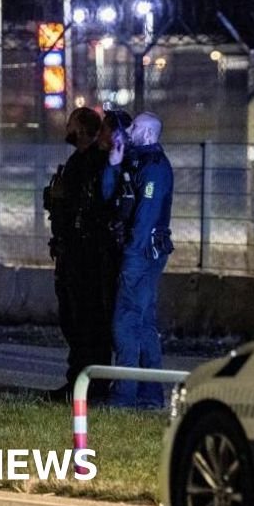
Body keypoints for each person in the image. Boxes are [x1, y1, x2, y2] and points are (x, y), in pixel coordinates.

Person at [102, 111, 175, 409]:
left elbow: (145, 219)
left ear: (147, 133)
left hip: (142, 255)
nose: (129, 130)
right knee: (143, 324)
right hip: (138, 252)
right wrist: (113, 164)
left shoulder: (154, 168)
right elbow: (109, 196)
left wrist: (131, 256)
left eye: (134, 127)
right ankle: (149, 395)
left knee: (124, 322)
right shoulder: (135, 162)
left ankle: (124, 395)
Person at [43, 107, 116, 401]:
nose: (67, 130)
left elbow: (92, 208)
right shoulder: (78, 160)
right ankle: (77, 381)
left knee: (88, 322)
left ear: (84, 129)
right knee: (72, 321)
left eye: (72, 125)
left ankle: (90, 385)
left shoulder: (96, 162)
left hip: (87, 257)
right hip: (70, 253)